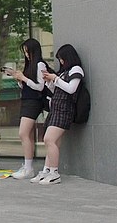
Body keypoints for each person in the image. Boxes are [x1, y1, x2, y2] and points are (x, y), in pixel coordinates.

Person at [31, 44, 84, 185]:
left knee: (49, 139)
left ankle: (54, 172)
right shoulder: (63, 72)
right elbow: (57, 90)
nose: (61, 61)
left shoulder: (76, 69)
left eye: (61, 58)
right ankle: (47, 170)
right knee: (52, 142)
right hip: (56, 108)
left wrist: (55, 78)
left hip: (65, 109)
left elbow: (71, 89)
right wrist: (50, 81)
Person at [8, 38, 50, 180]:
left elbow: (40, 86)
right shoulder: (31, 65)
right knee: (28, 134)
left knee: (23, 133)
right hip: (27, 100)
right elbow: (28, 86)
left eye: (27, 51)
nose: (26, 54)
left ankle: (28, 168)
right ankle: (28, 166)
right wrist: (20, 80)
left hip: (34, 102)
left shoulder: (39, 64)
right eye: (24, 52)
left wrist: (24, 78)